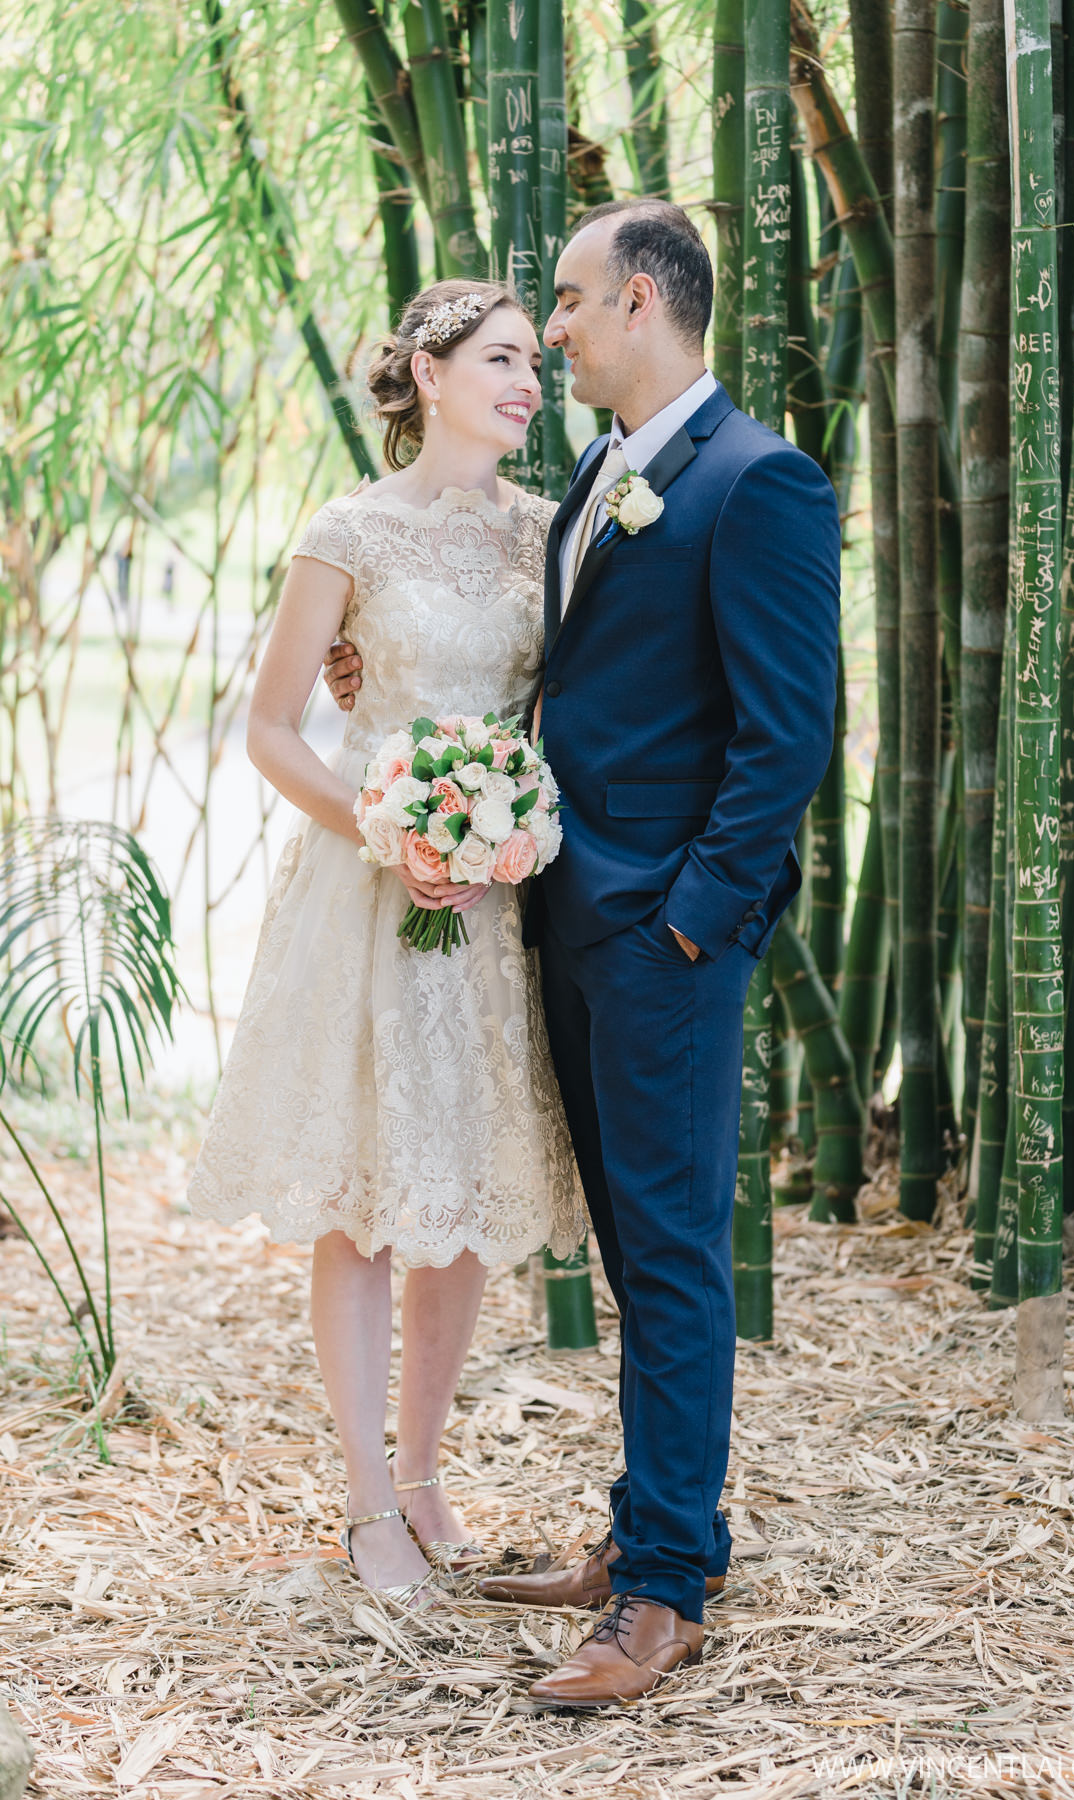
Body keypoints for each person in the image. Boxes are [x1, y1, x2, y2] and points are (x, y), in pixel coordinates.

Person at [325, 201, 841, 1700]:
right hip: (560, 912)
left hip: (662, 936)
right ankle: (659, 1528)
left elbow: (789, 734)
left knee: (672, 1260)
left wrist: (693, 920)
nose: (548, 331)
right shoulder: (600, 483)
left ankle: (663, 1595)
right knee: (634, 1254)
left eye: (562, 302)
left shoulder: (757, 480)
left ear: (638, 301)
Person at [188, 279, 584, 1610]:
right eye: (505, 358)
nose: (531, 380)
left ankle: (424, 1477)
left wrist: (505, 825)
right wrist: (387, 823)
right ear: (428, 370)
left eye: (537, 359)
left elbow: (570, 708)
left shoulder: (553, 528)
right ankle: (366, 1505)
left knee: (458, 1202)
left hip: (495, 907)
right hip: (371, 894)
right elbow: (275, 729)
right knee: (363, 1200)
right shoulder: (349, 529)